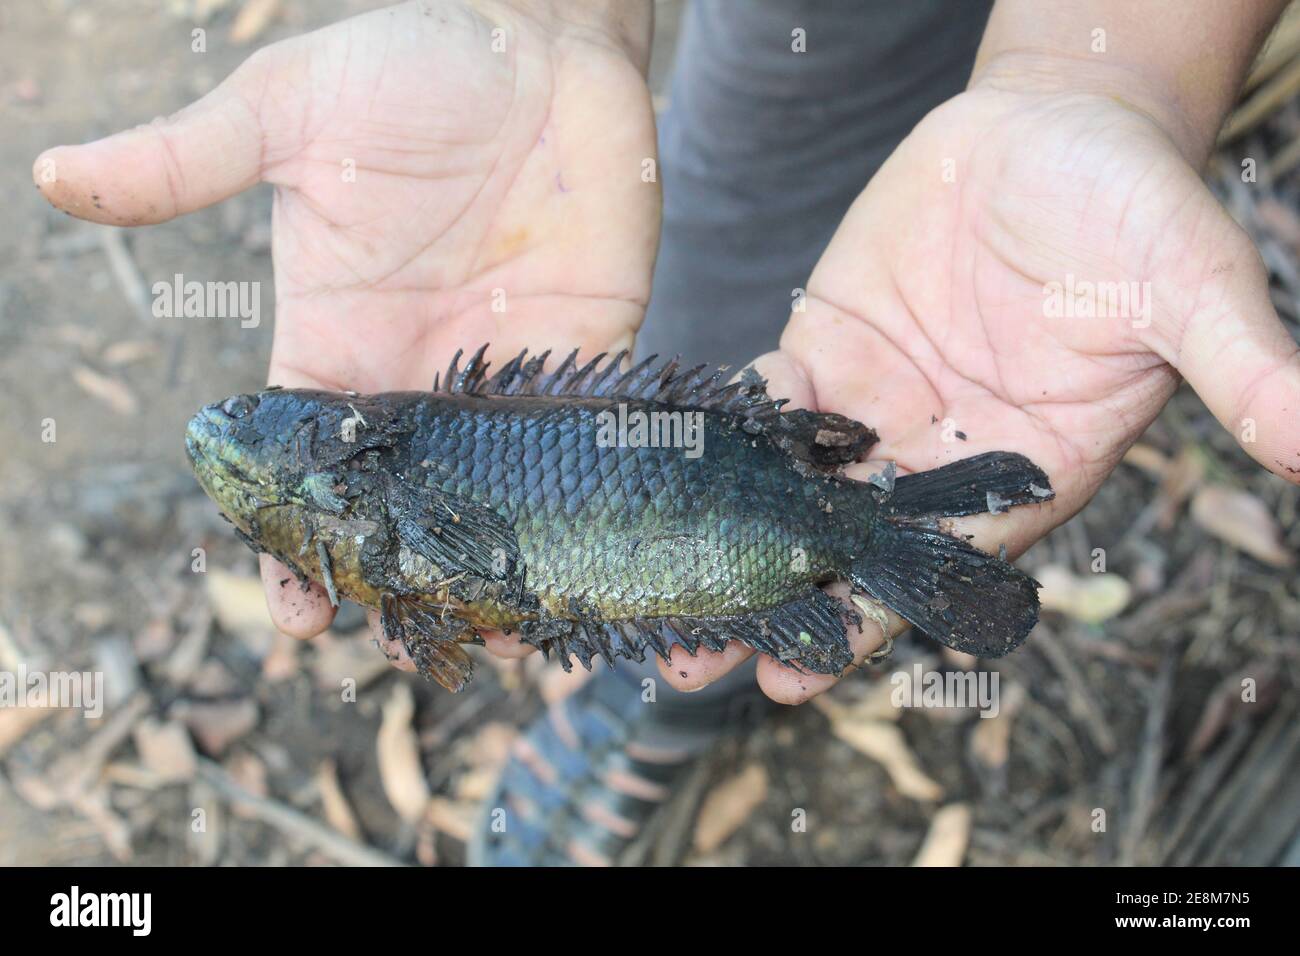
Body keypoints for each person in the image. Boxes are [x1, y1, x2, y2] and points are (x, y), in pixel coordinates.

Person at [36, 0, 1300, 865]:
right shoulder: (368, 478)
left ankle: (684, 690)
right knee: (730, 207)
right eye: (249, 433)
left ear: (330, 450)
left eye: (255, 427)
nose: (231, 430)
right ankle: (662, 703)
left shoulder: (373, 481)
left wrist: (1109, 73)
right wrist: (538, 22)